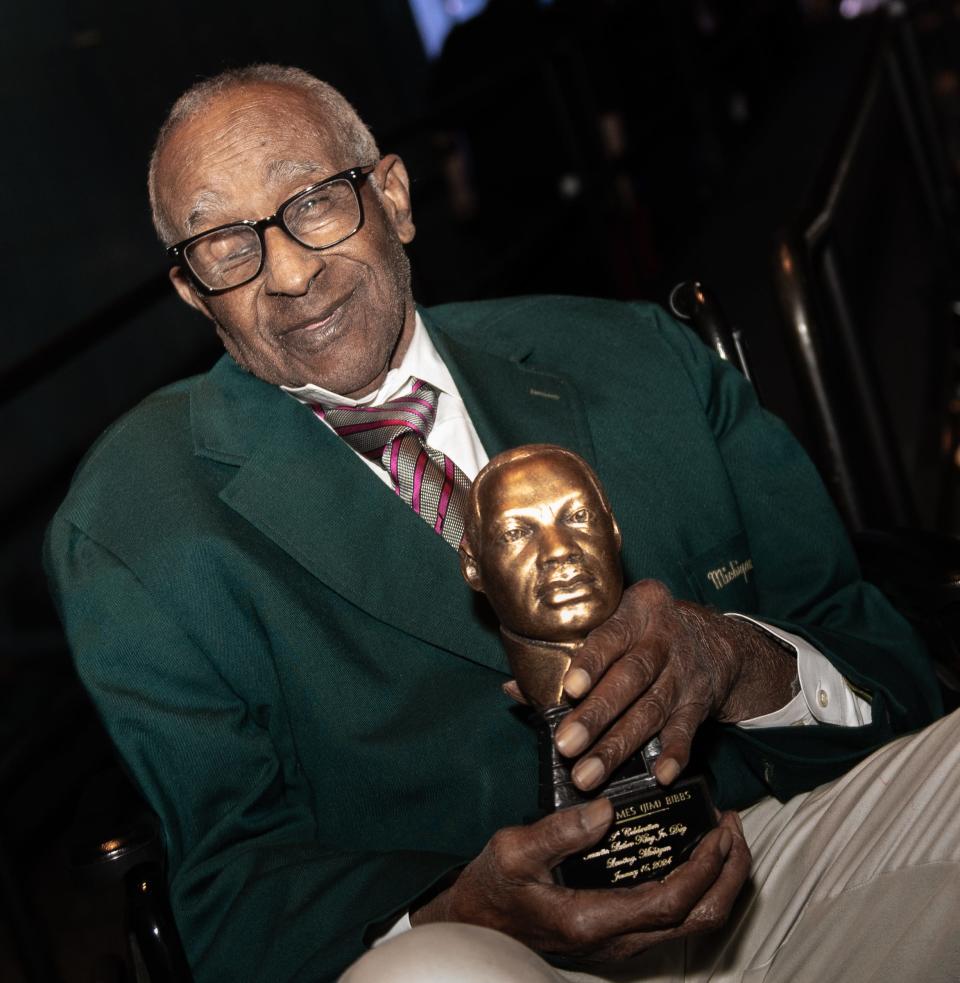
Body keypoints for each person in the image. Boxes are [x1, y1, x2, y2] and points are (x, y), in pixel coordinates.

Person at [45, 65, 958, 983]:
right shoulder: (137, 518)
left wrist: (734, 659)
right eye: (227, 245)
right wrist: (458, 912)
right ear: (194, 293)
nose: (288, 272)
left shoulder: (634, 358)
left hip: (778, 862)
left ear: (395, 198)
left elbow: (891, 671)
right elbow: (235, 897)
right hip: (487, 952)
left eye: (314, 201)